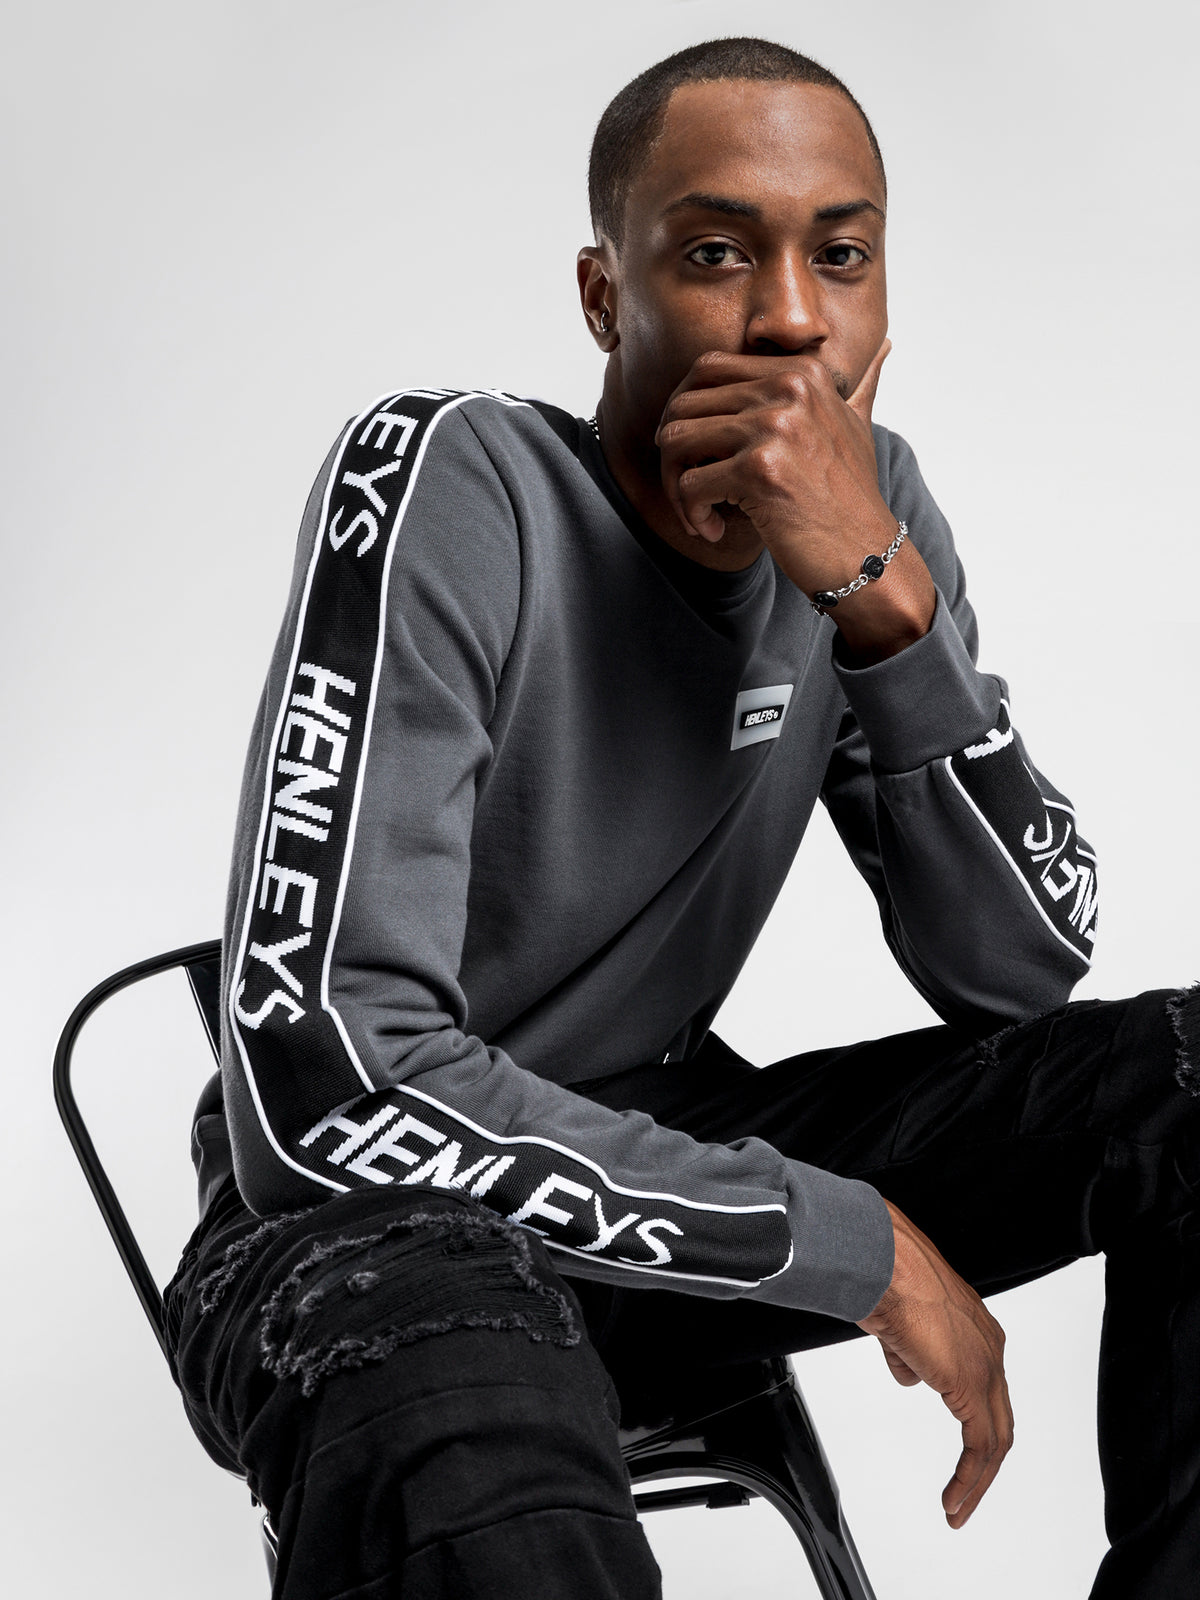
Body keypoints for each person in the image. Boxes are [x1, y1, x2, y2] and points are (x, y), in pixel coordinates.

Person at [165, 37, 1199, 1600]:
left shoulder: (874, 516)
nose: (789, 317)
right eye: (715, 254)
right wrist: (840, 1239)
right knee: (460, 1378)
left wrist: (884, 609)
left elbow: (1021, 971)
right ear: (605, 299)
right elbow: (327, 1088)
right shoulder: (459, 476)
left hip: (663, 1152)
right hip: (359, 1224)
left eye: (839, 257)